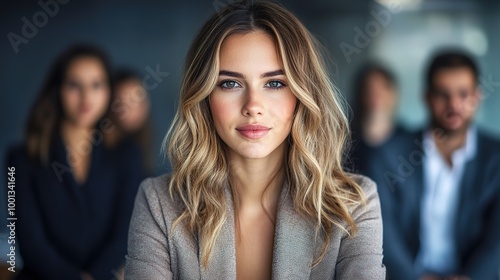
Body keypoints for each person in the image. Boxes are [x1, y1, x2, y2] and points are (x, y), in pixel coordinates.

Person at [124, 1, 385, 279]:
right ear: (203, 96)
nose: (253, 105)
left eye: (274, 83)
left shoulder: (353, 205)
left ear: (302, 95)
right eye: (230, 83)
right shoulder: (159, 203)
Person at [6, 44, 143, 280]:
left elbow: (123, 237)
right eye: (74, 85)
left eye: (96, 85)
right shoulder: (20, 158)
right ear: (57, 89)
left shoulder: (126, 154)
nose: (86, 97)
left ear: (109, 91)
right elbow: (31, 244)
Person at [377, 51, 500, 279]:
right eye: (443, 94)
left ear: (477, 97)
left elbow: (497, 240)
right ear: (427, 97)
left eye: (463, 94)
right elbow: (384, 231)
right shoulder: (391, 155)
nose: (454, 104)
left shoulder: (495, 158)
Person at [348, 63, 408, 175]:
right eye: (369, 89)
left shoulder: (408, 141)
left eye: (382, 88)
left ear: (393, 93)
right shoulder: (344, 139)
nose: (376, 95)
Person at [105, 69, 155, 177]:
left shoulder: (140, 146)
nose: (133, 108)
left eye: (138, 100)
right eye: (123, 103)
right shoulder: (128, 152)